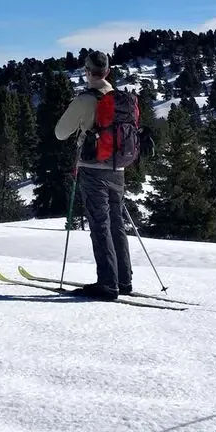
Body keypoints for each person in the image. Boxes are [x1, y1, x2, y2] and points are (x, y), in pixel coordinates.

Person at [53, 50, 136, 301]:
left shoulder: (85, 99)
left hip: (92, 169)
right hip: (118, 169)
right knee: (116, 224)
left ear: (87, 72)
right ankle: (124, 280)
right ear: (108, 72)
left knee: (100, 225)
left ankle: (107, 284)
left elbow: (59, 132)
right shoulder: (120, 98)